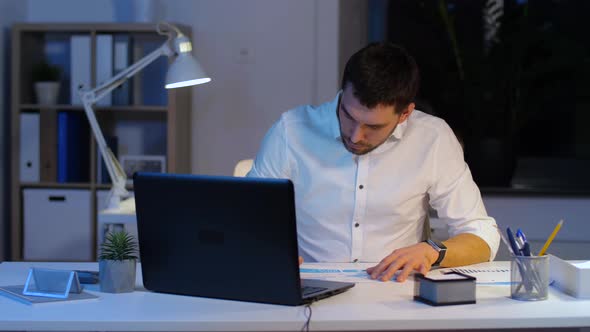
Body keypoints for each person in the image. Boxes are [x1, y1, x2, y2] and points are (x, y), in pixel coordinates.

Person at [247, 42, 500, 282]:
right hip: (309, 285)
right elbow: (247, 216)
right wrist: (269, 251)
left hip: (396, 289)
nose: (355, 136)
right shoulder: (291, 130)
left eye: (373, 126)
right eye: (347, 115)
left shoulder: (433, 138)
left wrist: (431, 251)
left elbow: (483, 236)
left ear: (405, 114)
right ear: (342, 92)